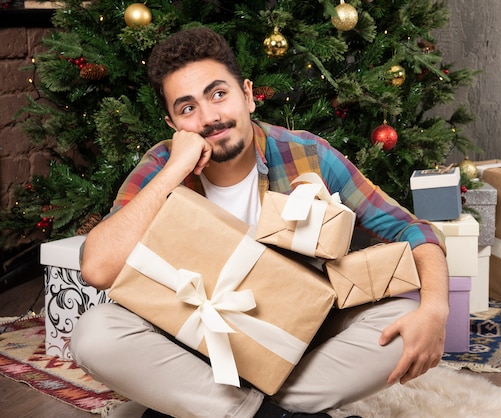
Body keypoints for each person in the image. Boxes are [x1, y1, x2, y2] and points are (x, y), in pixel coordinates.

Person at [71, 27, 450, 418]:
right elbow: (98, 267)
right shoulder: (161, 165)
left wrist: (435, 310)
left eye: (218, 94)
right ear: (172, 124)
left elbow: (413, 230)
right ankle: (267, 414)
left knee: (403, 321)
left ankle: (223, 410)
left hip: (293, 344)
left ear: (248, 95)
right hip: (192, 346)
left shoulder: (306, 155)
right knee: (94, 334)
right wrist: (173, 173)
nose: (209, 117)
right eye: (187, 109)